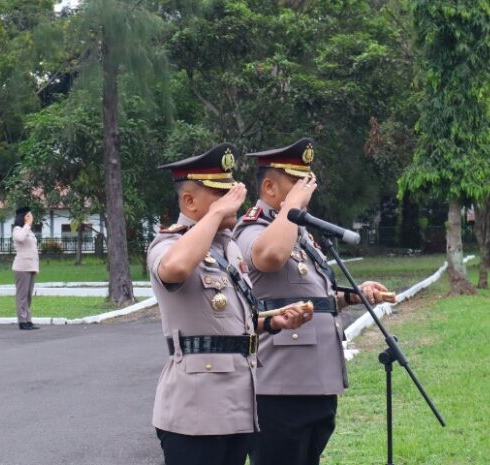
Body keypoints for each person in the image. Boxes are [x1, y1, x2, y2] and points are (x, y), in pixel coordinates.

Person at [149, 143, 312, 465]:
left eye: (231, 192)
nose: (232, 200)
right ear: (189, 200)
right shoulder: (167, 243)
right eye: (220, 194)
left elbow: (231, 322)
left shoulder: (228, 247)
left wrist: (272, 322)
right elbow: (175, 269)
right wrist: (216, 216)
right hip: (194, 413)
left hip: (236, 407)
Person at [233, 138, 390, 465]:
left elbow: (314, 297)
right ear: (269, 187)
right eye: (296, 185)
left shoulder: (301, 236)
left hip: (316, 381)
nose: (306, 193)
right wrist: (293, 208)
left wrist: (355, 295)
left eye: (307, 185)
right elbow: (271, 256)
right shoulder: (252, 229)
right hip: (279, 386)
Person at [11, 206, 40, 330]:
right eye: (27, 216)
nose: (30, 218)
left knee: (28, 295)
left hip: (31, 266)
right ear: (22, 217)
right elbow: (20, 238)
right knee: (22, 295)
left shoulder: (29, 231)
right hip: (22, 267)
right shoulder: (17, 229)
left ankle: (28, 319)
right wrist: (27, 224)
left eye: (30, 216)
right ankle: (22, 320)